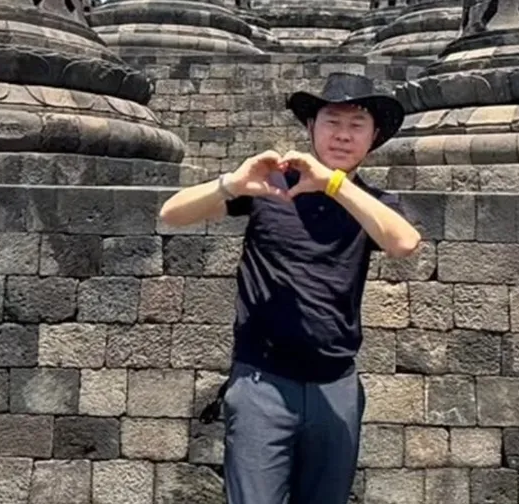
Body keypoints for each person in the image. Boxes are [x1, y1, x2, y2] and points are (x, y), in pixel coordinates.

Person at [158, 72, 422, 504]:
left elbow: (404, 242)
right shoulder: (266, 188)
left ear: (373, 138)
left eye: (357, 125)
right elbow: (172, 213)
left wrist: (334, 185)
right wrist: (232, 183)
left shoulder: (371, 204)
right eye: (332, 122)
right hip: (262, 383)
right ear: (310, 129)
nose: (342, 135)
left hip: (335, 387)